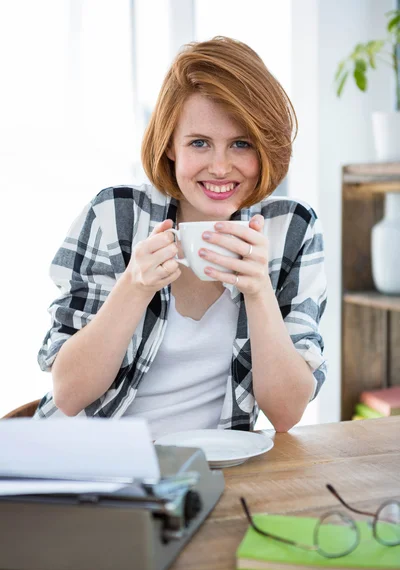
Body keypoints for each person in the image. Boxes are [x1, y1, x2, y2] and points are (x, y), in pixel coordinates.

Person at [35, 36, 327, 435]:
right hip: (91, 461)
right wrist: (134, 287)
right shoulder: (115, 214)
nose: (220, 167)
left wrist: (259, 292)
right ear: (171, 145)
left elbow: (286, 413)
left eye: (241, 144)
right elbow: (69, 394)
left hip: (214, 469)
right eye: (199, 143)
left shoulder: (292, 229)